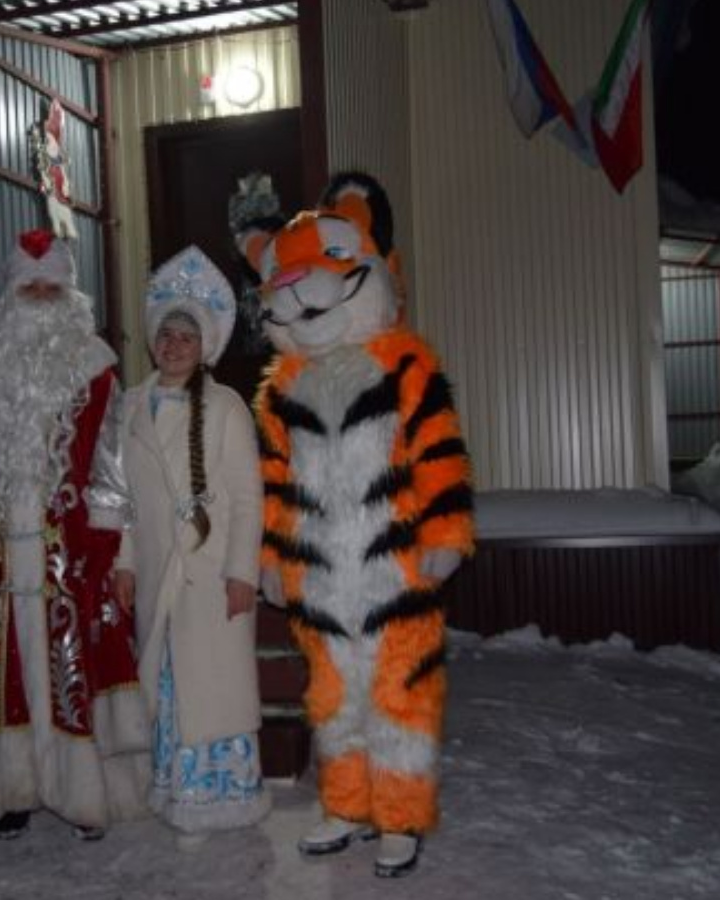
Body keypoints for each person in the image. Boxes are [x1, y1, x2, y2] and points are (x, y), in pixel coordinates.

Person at [236, 172, 474, 877]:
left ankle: (399, 815)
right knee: (332, 695)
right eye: (283, 273)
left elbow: (439, 454)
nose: (299, 283)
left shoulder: (406, 363)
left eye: (329, 258)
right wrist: (271, 558)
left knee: (398, 691)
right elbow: (273, 482)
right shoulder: (280, 391)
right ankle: (344, 805)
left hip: (392, 572)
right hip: (319, 578)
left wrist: (445, 534)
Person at [0, 228, 149, 841]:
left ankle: (83, 794)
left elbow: (111, 468)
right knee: (7, 673)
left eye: (53, 289)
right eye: (31, 288)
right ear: (10, 294)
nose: (42, 300)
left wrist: (103, 542)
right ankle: (12, 791)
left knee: (73, 668)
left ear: (71, 294)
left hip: (67, 555)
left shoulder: (97, 372)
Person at [113, 246, 269, 846]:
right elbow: (122, 498)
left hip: (210, 574)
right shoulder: (131, 407)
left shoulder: (226, 407)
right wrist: (125, 563)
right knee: (166, 679)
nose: (174, 345)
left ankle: (221, 793)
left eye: (187, 336)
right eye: (166, 334)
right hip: (157, 571)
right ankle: (173, 787)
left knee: (213, 684)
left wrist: (242, 573)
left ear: (205, 346)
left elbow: (248, 499)